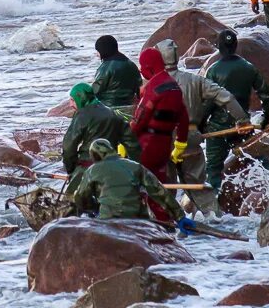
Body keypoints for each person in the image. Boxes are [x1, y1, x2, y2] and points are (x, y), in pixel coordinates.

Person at [155, 39, 249, 216]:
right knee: (200, 188)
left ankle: (166, 227)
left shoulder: (151, 85)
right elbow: (226, 97)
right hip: (191, 138)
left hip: (163, 140)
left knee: (164, 189)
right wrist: (242, 119)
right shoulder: (196, 80)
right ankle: (217, 223)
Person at [204, 29, 269, 192]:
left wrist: (201, 124)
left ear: (219, 47)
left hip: (218, 128)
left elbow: (208, 102)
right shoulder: (249, 67)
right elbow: (267, 95)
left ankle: (214, 207)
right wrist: (266, 119)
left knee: (214, 168)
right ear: (235, 45)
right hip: (242, 125)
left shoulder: (213, 70)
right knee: (252, 160)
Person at [72, 139, 194, 234]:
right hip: (139, 219)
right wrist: (179, 217)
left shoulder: (92, 171)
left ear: (94, 156)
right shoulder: (135, 166)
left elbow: (80, 197)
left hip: (108, 220)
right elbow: (158, 191)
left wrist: (94, 209)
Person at [130, 47, 189, 222]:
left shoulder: (154, 88)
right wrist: (180, 145)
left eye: (142, 66)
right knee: (158, 188)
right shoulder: (174, 87)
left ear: (149, 66)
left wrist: (124, 141)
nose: (141, 70)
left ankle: (138, 227)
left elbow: (139, 120)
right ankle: (165, 223)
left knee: (135, 185)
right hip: (164, 146)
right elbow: (184, 118)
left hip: (145, 146)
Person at [62, 83, 141, 193]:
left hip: (87, 168)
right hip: (112, 167)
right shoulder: (113, 114)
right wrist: (133, 169)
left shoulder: (82, 115)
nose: (70, 104)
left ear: (82, 98)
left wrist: (70, 169)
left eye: (73, 100)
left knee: (70, 203)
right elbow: (132, 144)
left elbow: (68, 146)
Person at [91, 34, 143, 117]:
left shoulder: (105, 67)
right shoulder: (131, 64)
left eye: (97, 51)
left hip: (109, 109)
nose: (97, 54)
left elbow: (95, 90)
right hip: (129, 108)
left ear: (103, 50)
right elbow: (139, 88)